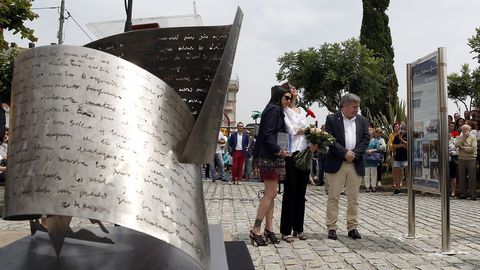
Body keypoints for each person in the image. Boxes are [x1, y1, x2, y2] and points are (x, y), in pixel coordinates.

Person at [324, 93, 369, 240]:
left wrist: (354, 154)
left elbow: (365, 139)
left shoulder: (363, 120)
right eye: (354, 107)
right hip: (337, 163)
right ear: (344, 106)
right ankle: (331, 227)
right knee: (333, 197)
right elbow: (329, 139)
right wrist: (344, 153)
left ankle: (352, 227)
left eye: (358, 106)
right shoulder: (331, 119)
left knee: (353, 198)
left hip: (355, 163)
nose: (357, 109)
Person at [249, 85, 290, 246]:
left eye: (289, 98)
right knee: (270, 193)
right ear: (279, 97)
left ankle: (269, 228)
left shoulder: (276, 109)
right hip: (269, 156)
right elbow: (267, 134)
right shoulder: (273, 109)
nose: (288, 100)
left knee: (272, 194)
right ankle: (255, 229)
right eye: (286, 97)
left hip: (275, 155)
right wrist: (279, 150)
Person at [280, 83, 309, 242]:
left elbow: (303, 129)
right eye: (290, 89)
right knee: (290, 193)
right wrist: (308, 130)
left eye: (295, 89)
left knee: (301, 194)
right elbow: (292, 130)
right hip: (290, 154)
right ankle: (286, 230)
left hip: (304, 153)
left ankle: (299, 228)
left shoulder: (302, 111)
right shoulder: (284, 111)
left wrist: (309, 133)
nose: (294, 91)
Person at [455, 124, 477, 200]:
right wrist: (463, 139)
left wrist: (462, 147)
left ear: (469, 130)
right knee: (461, 177)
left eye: (466, 129)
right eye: (463, 129)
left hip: (471, 159)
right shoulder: (460, 137)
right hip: (461, 159)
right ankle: (462, 193)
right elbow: (456, 145)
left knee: (472, 177)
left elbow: (472, 150)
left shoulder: (473, 137)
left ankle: (472, 193)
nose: (464, 131)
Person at [364, 127, 386, 192]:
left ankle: (373, 187)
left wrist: (372, 150)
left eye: (371, 132)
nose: (370, 133)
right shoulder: (365, 140)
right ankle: (367, 187)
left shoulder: (376, 141)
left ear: (373, 133)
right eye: (369, 132)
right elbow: (361, 148)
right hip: (366, 159)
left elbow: (379, 149)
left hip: (373, 159)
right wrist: (367, 151)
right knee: (366, 174)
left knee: (374, 173)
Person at [392, 125, 408, 194]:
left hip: (406, 158)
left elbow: (409, 146)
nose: (402, 130)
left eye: (404, 129)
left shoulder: (408, 136)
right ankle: (398, 188)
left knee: (408, 173)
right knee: (397, 173)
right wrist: (400, 146)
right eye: (401, 129)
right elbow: (393, 146)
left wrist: (401, 140)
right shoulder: (396, 136)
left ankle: (409, 188)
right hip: (398, 158)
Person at [448, 133, 459, 197]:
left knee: (453, 176)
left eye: (449, 134)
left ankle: (453, 191)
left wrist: (452, 153)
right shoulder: (442, 140)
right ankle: (445, 190)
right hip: (444, 160)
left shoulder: (455, 140)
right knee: (445, 176)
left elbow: (458, 150)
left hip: (452, 160)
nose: (448, 135)